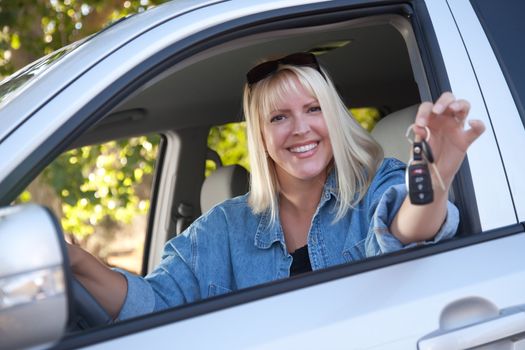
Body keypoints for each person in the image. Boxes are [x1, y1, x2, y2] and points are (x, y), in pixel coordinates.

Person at [68, 52, 485, 321]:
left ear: (333, 118)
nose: (301, 129)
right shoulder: (221, 230)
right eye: (279, 117)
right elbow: (153, 305)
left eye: (313, 109)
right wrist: (79, 263)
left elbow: (409, 226)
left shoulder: (378, 184)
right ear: (261, 135)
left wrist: (432, 177)